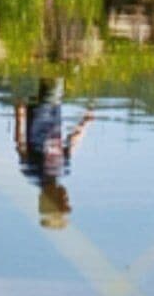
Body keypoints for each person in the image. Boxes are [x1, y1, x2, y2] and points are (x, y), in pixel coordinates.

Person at [12, 78, 93, 230]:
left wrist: (19, 116)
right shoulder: (62, 171)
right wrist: (84, 123)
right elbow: (71, 145)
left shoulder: (33, 172)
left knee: (57, 77)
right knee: (53, 78)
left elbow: (20, 143)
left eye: (63, 201)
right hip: (55, 109)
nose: (67, 197)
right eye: (66, 202)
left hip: (39, 113)